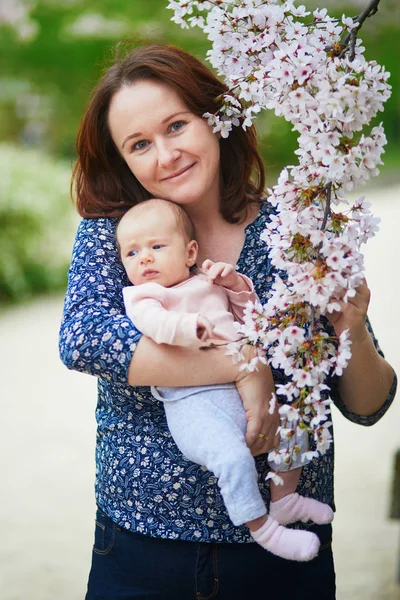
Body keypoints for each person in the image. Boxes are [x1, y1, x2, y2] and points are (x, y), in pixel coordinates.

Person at [59, 43, 396, 599]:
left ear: (218, 120)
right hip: (143, 545)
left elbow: (368, 405)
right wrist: (246, 366)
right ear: (123, 161)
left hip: (286, 556)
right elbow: (85, 340)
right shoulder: (121, 236)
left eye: (177, 126)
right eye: (139, 144)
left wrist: (350, 327)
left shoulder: (296, 232)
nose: (165, 155)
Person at [117, 197, 335, 563]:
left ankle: (284, 499)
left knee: (296, 421)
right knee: (232, 459)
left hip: (238, 390)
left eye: (157, 246)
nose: (145, 258)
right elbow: (154, 324)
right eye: (132, 252)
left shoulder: (206, 280)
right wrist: (188, 327)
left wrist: (233, 283)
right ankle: (263, 529)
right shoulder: (144, 295)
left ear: (190, 252)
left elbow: (249, 314)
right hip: (193, 403)